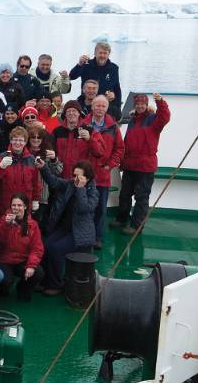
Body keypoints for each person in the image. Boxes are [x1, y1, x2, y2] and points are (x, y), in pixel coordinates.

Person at [38, 159, 99, 295]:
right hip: (64, 228)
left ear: (87, 178)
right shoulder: (70, 184)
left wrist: (81, 189)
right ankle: (45, 280)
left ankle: (56, 284)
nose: (75, 178)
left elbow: (84, 208)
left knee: (56, 249)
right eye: (74, 175)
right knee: (45, 245)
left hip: (79, 233)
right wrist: (43, 168)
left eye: (78, 176)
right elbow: (53, 181)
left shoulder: (93, 192)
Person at [116, 93, 170, 234]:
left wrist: (160, 102)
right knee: (125, 194)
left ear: (146, 105)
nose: (140, 106)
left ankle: (136, 226)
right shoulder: (132, 120)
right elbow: (127, 142)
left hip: (145, 166)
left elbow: (164, 117)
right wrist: (122, 161)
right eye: (137, 104)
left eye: (142, 104)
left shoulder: (153, 119)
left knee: (141, 197)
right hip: (130, 164)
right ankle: (122, 219)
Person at [83, 95, 123, 244]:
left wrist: (110, 165)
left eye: (103, 106)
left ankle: (97, 237)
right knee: (84, 206)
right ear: (92, 106)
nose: (100, 108)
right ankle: (84, 236)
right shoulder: (84, 124)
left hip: (102, 174)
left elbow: (119, 149)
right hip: (85, 173)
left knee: (100, 208)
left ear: (107, 108)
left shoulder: (113, 127)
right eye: (97, 105)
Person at [0, 196, 45, 301]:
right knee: (5, 282)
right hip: (5, 260)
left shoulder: (33, 224)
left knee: (38, 272)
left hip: (22, 260)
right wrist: (6, 225)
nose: (16, 208)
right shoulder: (3, 220)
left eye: (19, 205)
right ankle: (3, 287)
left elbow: (37, 248)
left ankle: (22, 288)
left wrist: (31, 265)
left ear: (25, 207)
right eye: (14, 205)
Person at [0, 128, 41, 218]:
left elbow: (36, 183)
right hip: (6, 203)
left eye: (21, 140)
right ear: (10, 141)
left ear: (25, 142)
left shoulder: (31, 159)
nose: (18, 143)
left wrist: (35, 199)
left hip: (25, 203)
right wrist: (1, 167)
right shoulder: (1, 157)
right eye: (15, 139)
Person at [69, 41, 121, 116]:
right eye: (100, 53)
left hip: (104, 105)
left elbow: (117, 88)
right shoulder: (87, 65)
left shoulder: (114, 68)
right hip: (86, 104)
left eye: (105, 53)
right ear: (95, 53)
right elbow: (72, 76)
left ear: (108, 54)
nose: (102, 55)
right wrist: (79, 64)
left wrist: (118, 106)